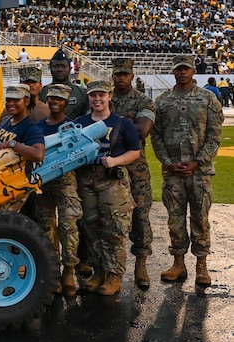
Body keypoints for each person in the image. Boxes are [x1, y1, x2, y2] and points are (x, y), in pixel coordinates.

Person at [151, 55, 223, 288]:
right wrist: (168, 162)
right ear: (173, 72)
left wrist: (197, 162)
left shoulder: (208, 98)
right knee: (175, 219)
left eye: (186, 69)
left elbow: (214, 136)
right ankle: (178, 263)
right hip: (172, 171)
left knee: (200, 218)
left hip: (199, 173)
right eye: (178, 69)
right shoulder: (162, 101)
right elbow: (156, 136)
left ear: (193, 71)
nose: (182, 73)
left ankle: (201, 266)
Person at [75, 81, 140, 296]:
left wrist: (115, 161)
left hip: (112, 181)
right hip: (86, 180)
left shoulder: (122, 123)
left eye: (101, 95)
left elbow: (134, 151)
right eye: (93, 95)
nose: (97, 99)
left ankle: (114, 275)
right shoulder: (80, 123)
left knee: (114, 227)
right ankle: (98, 271)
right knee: (91, 227)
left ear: (109, 96)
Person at [110, 57, 156, 289]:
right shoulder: (103, 98)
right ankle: (112, 270)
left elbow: (142, 130)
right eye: (117, 74)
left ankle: (141, 264)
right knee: (110, 219)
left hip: (136, 170)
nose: (121, 78)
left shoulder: (143, 100)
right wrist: (126, 124)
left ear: (131, 75)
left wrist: (108, 127)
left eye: (125, 74)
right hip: (109, 169)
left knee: (140, 217)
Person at [35, 84, 82, 297]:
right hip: (43, 183)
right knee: (46, 228)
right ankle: (53, 273)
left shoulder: (72, 126)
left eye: (59, 99)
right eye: (51, 98)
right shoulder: (38, 127)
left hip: (65, 181)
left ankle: (69, 271)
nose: (54, 102)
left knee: (68, 225)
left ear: (66, 102)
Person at [0, 84, 45, 163]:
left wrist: (12, 144)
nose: (10, 103)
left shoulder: (30, 128)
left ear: (27, 101)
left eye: (16, 100)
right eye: (8, 100)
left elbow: (38, 155)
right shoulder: (4, 121)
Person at [39, 49, 88, 119]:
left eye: (63, 66)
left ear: (70, 69)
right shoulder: (42, 92)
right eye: (56, 66)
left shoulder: (82, 93)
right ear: (50, 68)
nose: (60, 69)